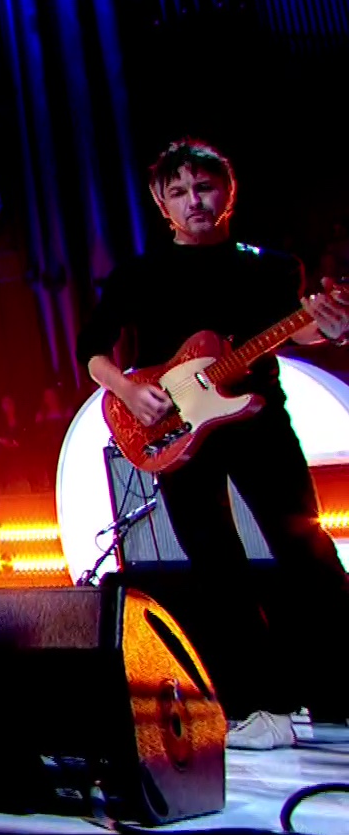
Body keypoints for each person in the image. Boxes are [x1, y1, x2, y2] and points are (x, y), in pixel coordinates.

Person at [77, 139, 349, 751]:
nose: (194, 201)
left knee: (308, 553)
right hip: (174, 431)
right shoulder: (138, 275)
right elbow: (91, 348)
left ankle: (339, 694)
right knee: (216, 567)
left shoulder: (271, 267)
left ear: (228, 192)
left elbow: (298, 331)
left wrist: (327, 327)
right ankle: (255, 708)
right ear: (160, 202)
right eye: (179, 192)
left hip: (259, 422)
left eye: (204, 188)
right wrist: (127, 388)